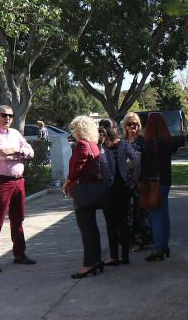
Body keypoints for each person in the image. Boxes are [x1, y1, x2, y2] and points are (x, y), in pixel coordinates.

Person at [0, 105, 36, 273]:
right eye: (3, 115)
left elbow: (31, 152)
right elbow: (1, 154)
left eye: (10, 116)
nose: (7, 118)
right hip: (0, 182)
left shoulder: (15, 133)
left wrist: (16, 151)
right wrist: (20, 154)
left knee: (18, 219)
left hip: (18, 181)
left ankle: (19, 254)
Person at [63, 115, 105, 279]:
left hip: (83, 192)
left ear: (79, 129)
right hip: (92, 190)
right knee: (92, 229)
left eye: (74, 129)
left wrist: (67, 182)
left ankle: (89, 264)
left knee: (86, 230)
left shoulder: (81, 144)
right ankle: (96, 261)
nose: (73, 132)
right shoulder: (93, 145)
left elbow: (76, 168)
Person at [98, 118, 134, 266]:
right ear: (115, 128)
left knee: (111, 223)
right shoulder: (124, 144)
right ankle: (125, 256)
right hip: (124, 187)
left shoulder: (101, 147)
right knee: (124, 222)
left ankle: (114, 256)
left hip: (108, 189)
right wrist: (132, 178)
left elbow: (103, 166)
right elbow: (136, 160)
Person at [141, 112, 173, 262]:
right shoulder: (167, 141)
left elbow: (145, 164)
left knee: (156, 216)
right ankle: (164, 245)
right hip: (166, 181)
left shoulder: (151, 142)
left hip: (154, 183)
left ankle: (158, 249)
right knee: (164, 215)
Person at [122, 112, 151, 250]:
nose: (133, 126)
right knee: (127, 212)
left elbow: (145, 161)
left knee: (140, 212)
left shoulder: (142, 141)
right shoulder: (122, 141)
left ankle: (140, 240)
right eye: (130, 124)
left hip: (139, 182)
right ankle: (129, 240)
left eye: (135, 124)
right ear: (125, 126)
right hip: (124, 182)